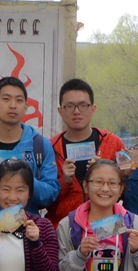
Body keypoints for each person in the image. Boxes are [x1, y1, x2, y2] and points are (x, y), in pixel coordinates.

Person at [0, 77, 60, 223]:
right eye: (6, 99)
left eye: (19, 100)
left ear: (26, 107)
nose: (13, 105)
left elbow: (50, 194)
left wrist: (24, 179)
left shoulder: (40, 145)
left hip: (25, 231)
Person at [46, 79, 127, 228]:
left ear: (93, 108)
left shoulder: (114, 142)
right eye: (70, 106)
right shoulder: (49, 148)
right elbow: (42, 199)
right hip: (63, 228)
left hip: (107, 227)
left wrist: (109, 170)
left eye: (83, 105)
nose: (77, 111)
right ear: (60, 111)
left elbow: (127, 187)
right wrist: (64, 181)